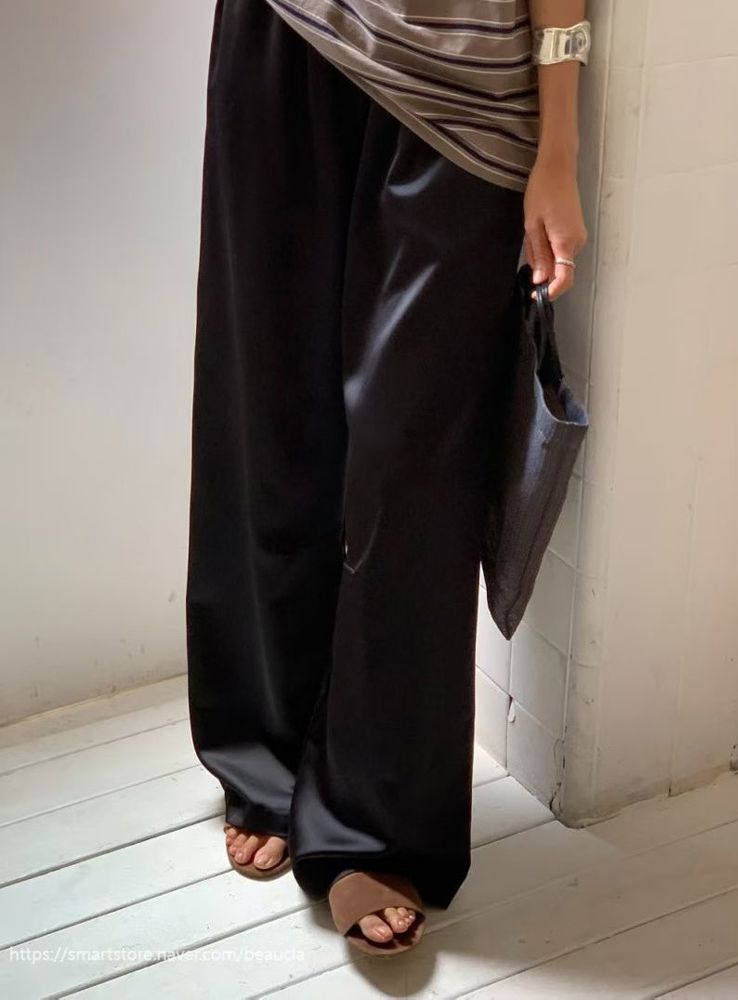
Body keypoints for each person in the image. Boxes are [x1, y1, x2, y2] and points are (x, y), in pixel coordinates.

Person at [185, 0, 589, 956]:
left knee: (414, 464)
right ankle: (267, 751)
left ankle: (379, 820)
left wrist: (558, 144)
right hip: (285, 36)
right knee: (268, 413)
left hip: (464, 89)